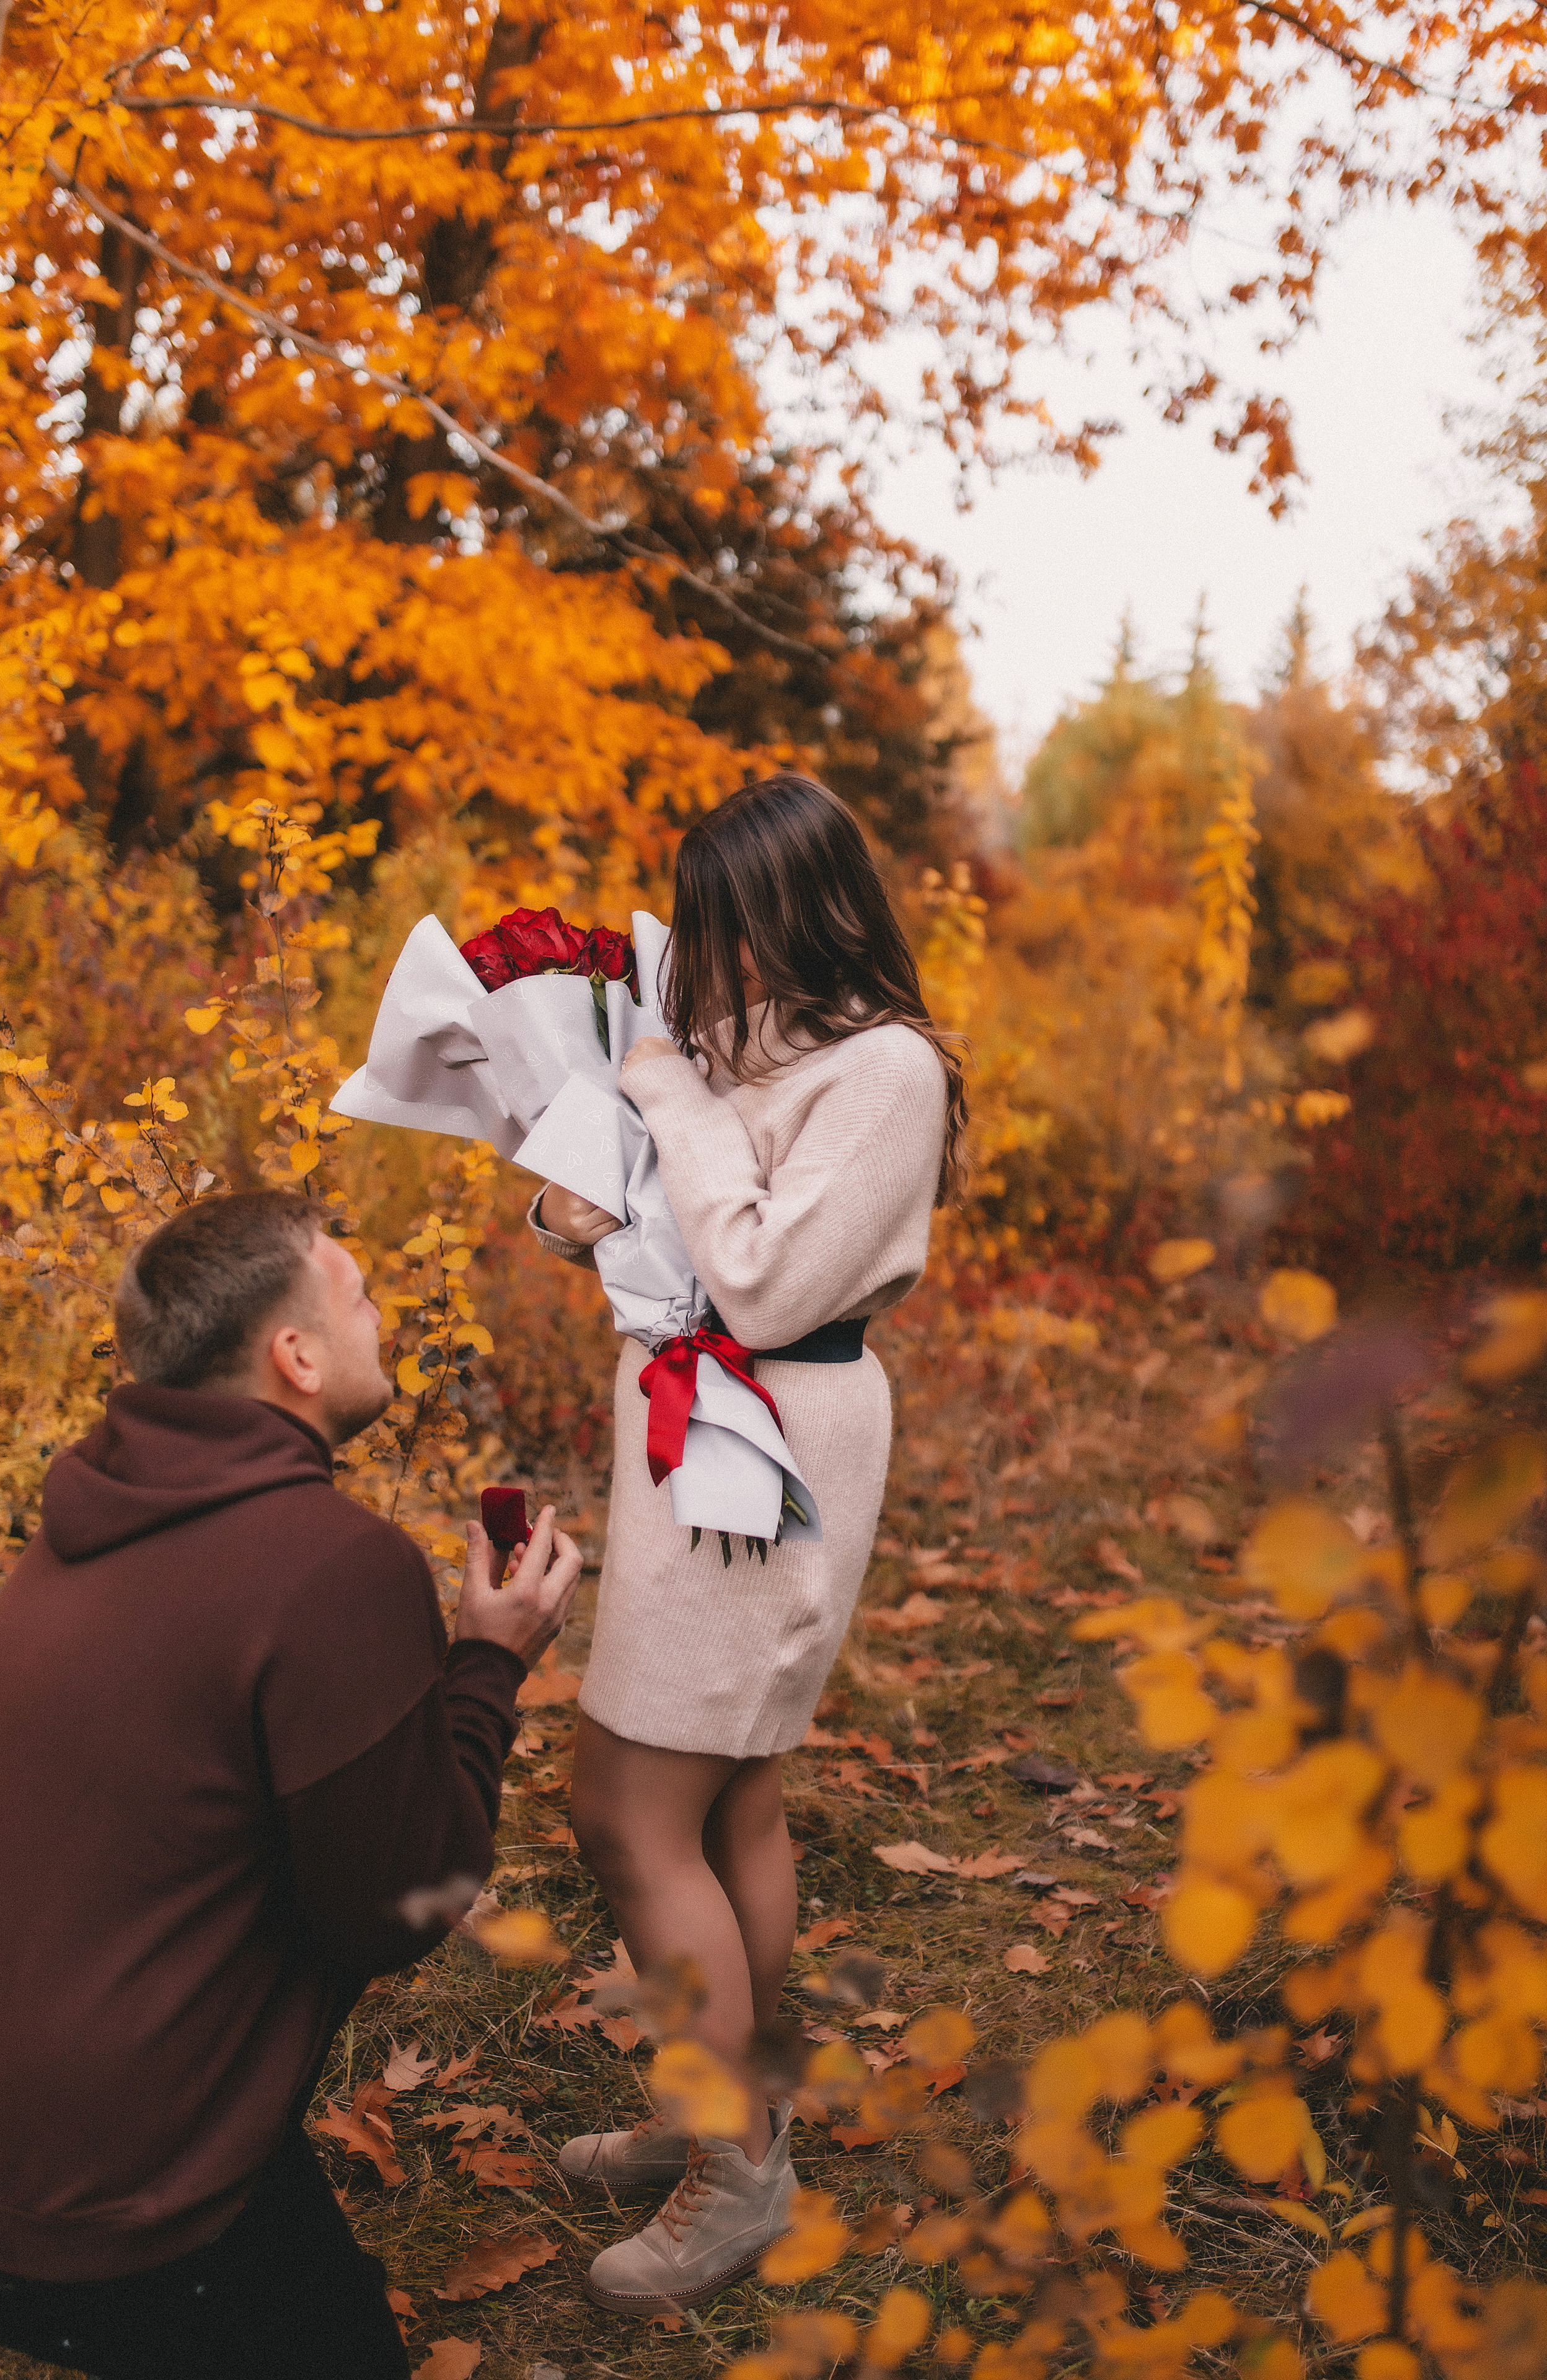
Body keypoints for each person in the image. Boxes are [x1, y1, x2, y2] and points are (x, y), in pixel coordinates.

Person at [0, 1189, 581, 2380]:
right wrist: (490, 1666)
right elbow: (407, 1897)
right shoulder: (331, 1565)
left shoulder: (79, 1527)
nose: (382, 1313)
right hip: (125, 2227)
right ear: (294, 1355)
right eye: (359, 1295)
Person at [531, 772, 965, 2314]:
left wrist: (675, 1106)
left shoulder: (886, 1073)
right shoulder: (742, 1049)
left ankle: (739, 2175)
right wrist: (571, 1204)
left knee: (625, 1813)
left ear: (799, 911)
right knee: (730, 1807)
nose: (701, 967)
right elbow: (673, 1206)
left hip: (772, 1446)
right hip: (699, 1436)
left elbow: (773, 1287)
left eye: (724, 928)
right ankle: (714, 2116)